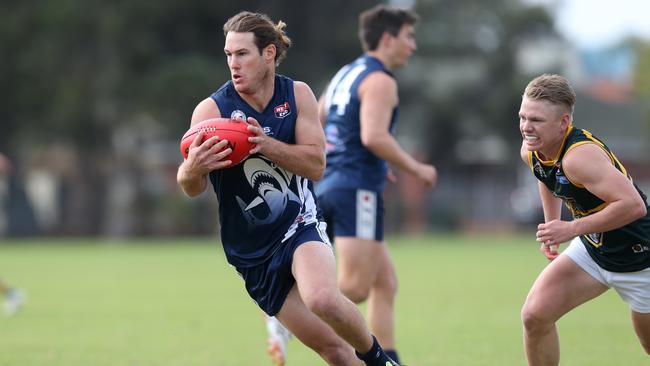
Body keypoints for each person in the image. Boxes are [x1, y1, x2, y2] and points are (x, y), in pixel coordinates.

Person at [177, 11, 400, 366]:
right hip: (251, 255)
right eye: (228, 55)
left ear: (268, 54)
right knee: (336, 352)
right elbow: (190, 186)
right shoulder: (211, 112)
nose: (233, 64)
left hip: (299, 226)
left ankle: (380, 360)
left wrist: (266, 144)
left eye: (242, 54)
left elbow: (316, 164)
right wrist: (191, 169)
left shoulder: (297, 95)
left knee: (323, 298)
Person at [310, 5, 437, 364]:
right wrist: (416, 168)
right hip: (358, 189)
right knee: (355, 287)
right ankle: (289, 313)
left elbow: (318, 120)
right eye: (408, 37)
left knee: (385, 282)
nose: (412, 46)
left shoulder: (345, 74)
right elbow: (374, 136)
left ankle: (390, 358)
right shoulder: (380, 80)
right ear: (387, 38)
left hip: (331, 183)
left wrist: (364, 162)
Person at [518, 74, 650, 365]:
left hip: (640, 260)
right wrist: (552, 227)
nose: (527, 127)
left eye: (536, 120)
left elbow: (634, 205)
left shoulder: (579, 157)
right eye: (523, 117)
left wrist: (570, 228)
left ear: (563, 122)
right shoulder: (532, 150)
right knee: (534, 316)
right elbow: (545, 176)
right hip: (593, 251)